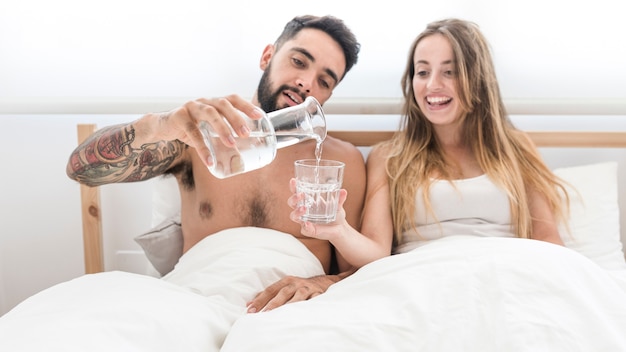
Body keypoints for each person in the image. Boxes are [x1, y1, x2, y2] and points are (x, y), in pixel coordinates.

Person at [66, 15, 366, 312]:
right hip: (195, 299)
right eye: (299, 62)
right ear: (267, 56)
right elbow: (80, 170)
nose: (306, 83)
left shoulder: (341, 162)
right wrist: (157, 125)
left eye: (324, 81)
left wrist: (321, 284)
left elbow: (360, 270)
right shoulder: (196, 137)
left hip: (290, 311)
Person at [288, 18, 570, 267]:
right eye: (422, 72)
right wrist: (339, 229)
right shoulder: (390, 156)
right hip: (423, 281)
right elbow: (376, 253)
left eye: (450, 71)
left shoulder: (515, 148)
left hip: (506, 275)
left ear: (478, 79)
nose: (433, 85)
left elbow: (547, 240)